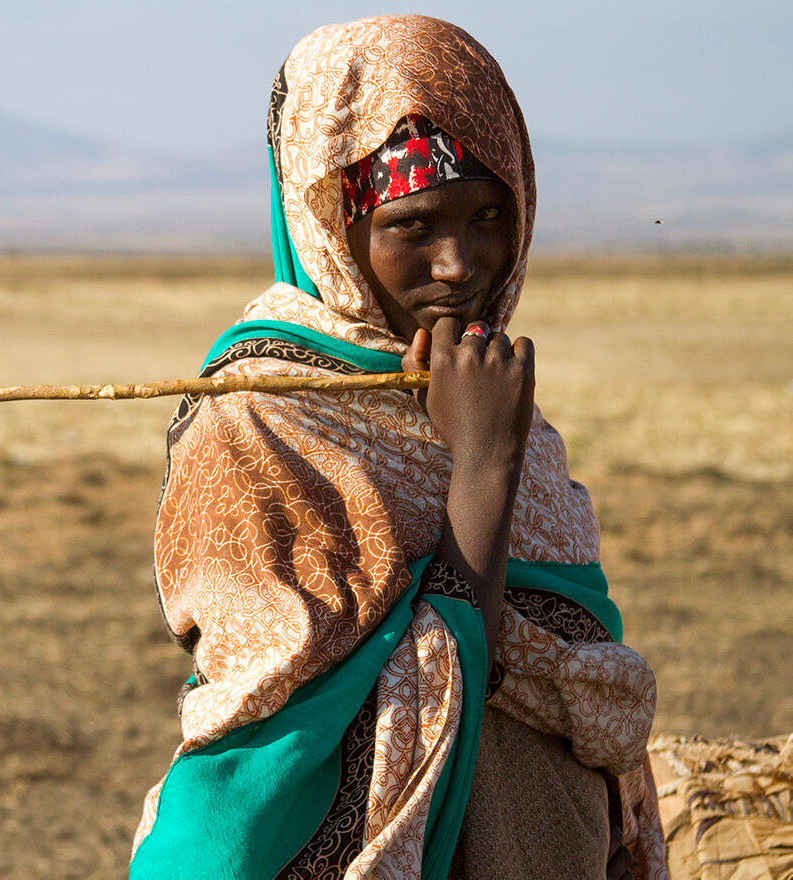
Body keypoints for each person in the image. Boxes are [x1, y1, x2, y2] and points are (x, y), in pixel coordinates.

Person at [130, 15, 666, 879]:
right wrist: (482, 463)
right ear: (331, 226)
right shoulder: (257, 419)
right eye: (414, 227)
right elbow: (284, 710)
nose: (460, 264)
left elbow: (572, 649)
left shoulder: (492, 395)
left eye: (490, 215)